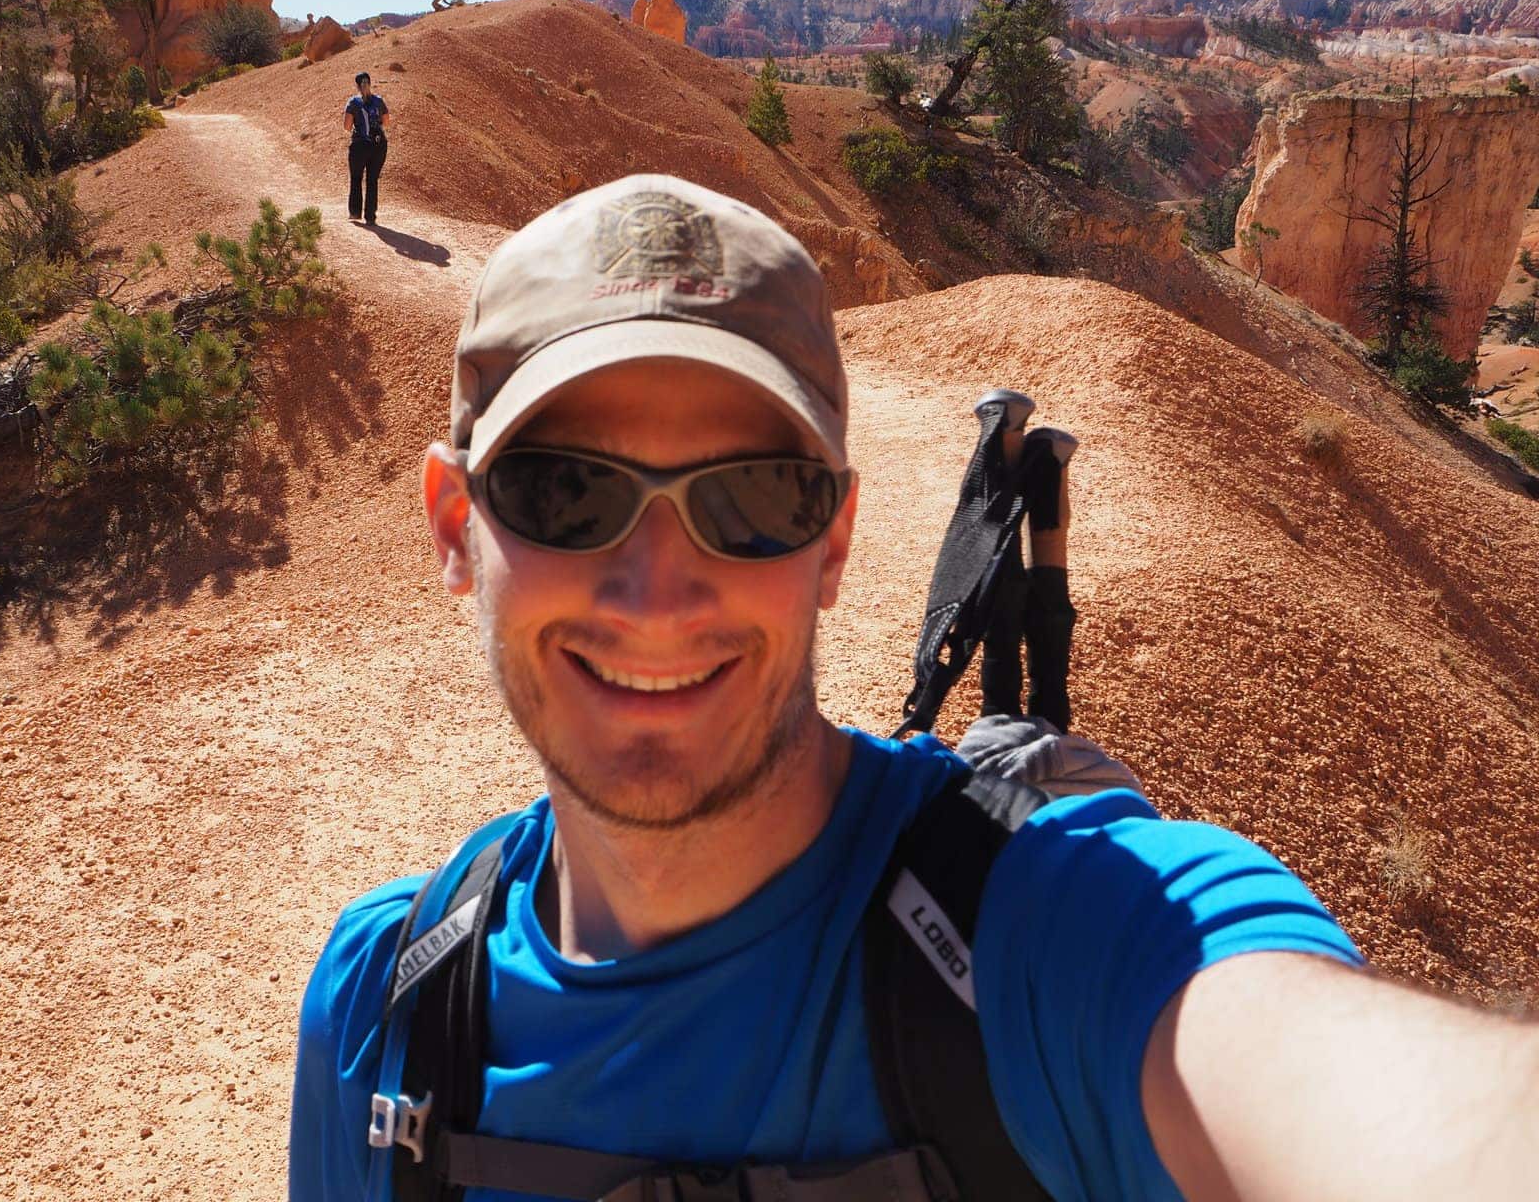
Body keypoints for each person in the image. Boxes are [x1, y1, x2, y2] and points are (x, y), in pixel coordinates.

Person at [290, 174, 1539, 1201]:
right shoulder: (381, 1010)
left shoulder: (1054, 939)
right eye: (566, 491)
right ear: (454, 526)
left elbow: (1342, 1094)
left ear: (832, 544)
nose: (655, 590)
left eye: (750, 498)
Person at [344, 71, 390, 225]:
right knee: (372, 180)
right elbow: (386, 122)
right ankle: (370, 216)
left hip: (359, 146)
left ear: (357, 86)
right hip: (379, 145)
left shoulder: (353, 102)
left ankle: (355, 212)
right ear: (370, 83)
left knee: (356, 178)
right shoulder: (379, 101)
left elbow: (347, 126)